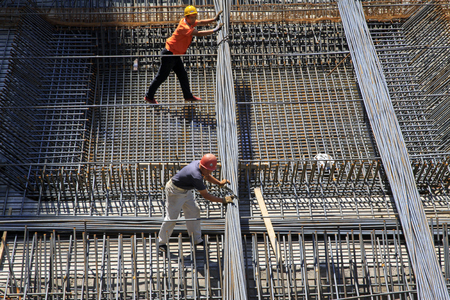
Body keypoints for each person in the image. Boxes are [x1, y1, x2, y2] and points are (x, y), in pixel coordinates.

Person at [144, 6, 224, 104]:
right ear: (186, 17)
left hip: (175, 54)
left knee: (182, 74)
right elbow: (198, 33)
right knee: (161, 76)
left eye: (195, 17)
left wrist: (214, 19)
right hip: (169, 54)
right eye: (192, 17)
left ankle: (188, 96)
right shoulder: (184, 27)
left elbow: (200, 22)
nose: (194, 19)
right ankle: (149, 96)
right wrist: (214, 30)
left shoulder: (188, 21)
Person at [158, 153, 234, 252]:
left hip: (186, 190)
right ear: (203, 167)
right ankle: (161, 243)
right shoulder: (196, 176)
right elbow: (206, 195)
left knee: (194, 211)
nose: (210, 172)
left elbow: (207, 176)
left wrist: (219, 183)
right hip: (175, 191)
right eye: (209, 170)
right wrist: (223, 200)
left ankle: (196, 239)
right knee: (171, 217)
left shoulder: (200, 165)